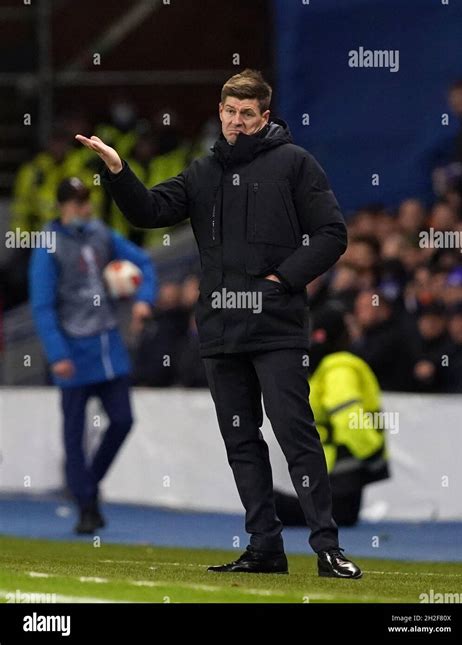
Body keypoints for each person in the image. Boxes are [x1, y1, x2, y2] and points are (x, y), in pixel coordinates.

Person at [76, 69, 362, 578]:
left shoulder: (296, 164)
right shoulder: (203, 172)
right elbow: (150, 210)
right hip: (220, 331)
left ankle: (327, 548)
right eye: (229, 113)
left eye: (246, 114)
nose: (235, 123)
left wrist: (280, 281)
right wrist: (118, 171)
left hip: (276, 327)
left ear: (264, 116)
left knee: (295, 435)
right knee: (241, 441)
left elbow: (332, 234)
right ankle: (264, 546)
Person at [29, 178, 156, 534]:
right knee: (73, 433)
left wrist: (144, 299)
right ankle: (87, 507)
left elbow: (144, 262)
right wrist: (57, 353)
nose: (83, 208)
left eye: (86, 201)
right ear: (62, 206)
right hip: (72, 348)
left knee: (123, 420)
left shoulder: (102, 234)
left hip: (108, 345)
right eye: (76, 203)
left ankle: (87, 485)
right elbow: (42, 306)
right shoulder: (47, 248)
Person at [275, 306, 390, 527]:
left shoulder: (320, 368)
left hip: (327, 460)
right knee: (339, 516)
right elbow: (348, 418)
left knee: (338, 515)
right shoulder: (340, 368)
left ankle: (269, 504)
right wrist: (373, 455)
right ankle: (270, 503)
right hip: (345, 462)